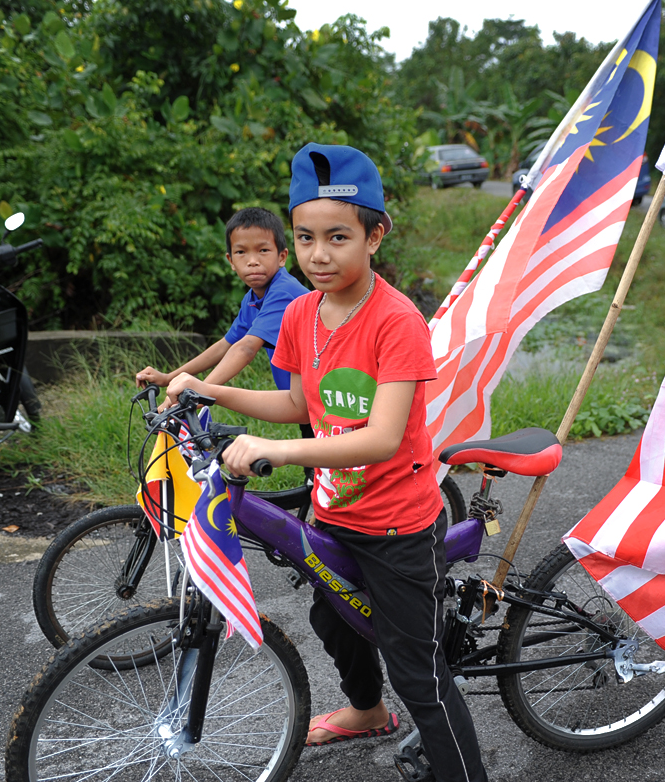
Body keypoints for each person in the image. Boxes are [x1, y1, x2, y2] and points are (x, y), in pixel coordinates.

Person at [166, 143, 489, 782]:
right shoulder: (304, 313)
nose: (319, 254)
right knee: (333, 618)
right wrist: (206, 388)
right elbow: (295, 400)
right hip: (336, 509)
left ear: (375, 235)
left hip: (397, 524)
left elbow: (381, 439)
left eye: (338, 237)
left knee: (418, 674)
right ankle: (368, 712)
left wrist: (275, 451)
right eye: (306, 237)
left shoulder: (396, 321)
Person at [136, 207, 308, 393]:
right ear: (231, 261)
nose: (252, 260)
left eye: (263, 250)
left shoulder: (284, 292)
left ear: (282, 257)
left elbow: (246, 349)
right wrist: (169, 378)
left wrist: (197, 393)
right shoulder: (252, 299)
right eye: (241, 252)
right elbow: (226, 346)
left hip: (327, 399)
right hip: (305, 402)